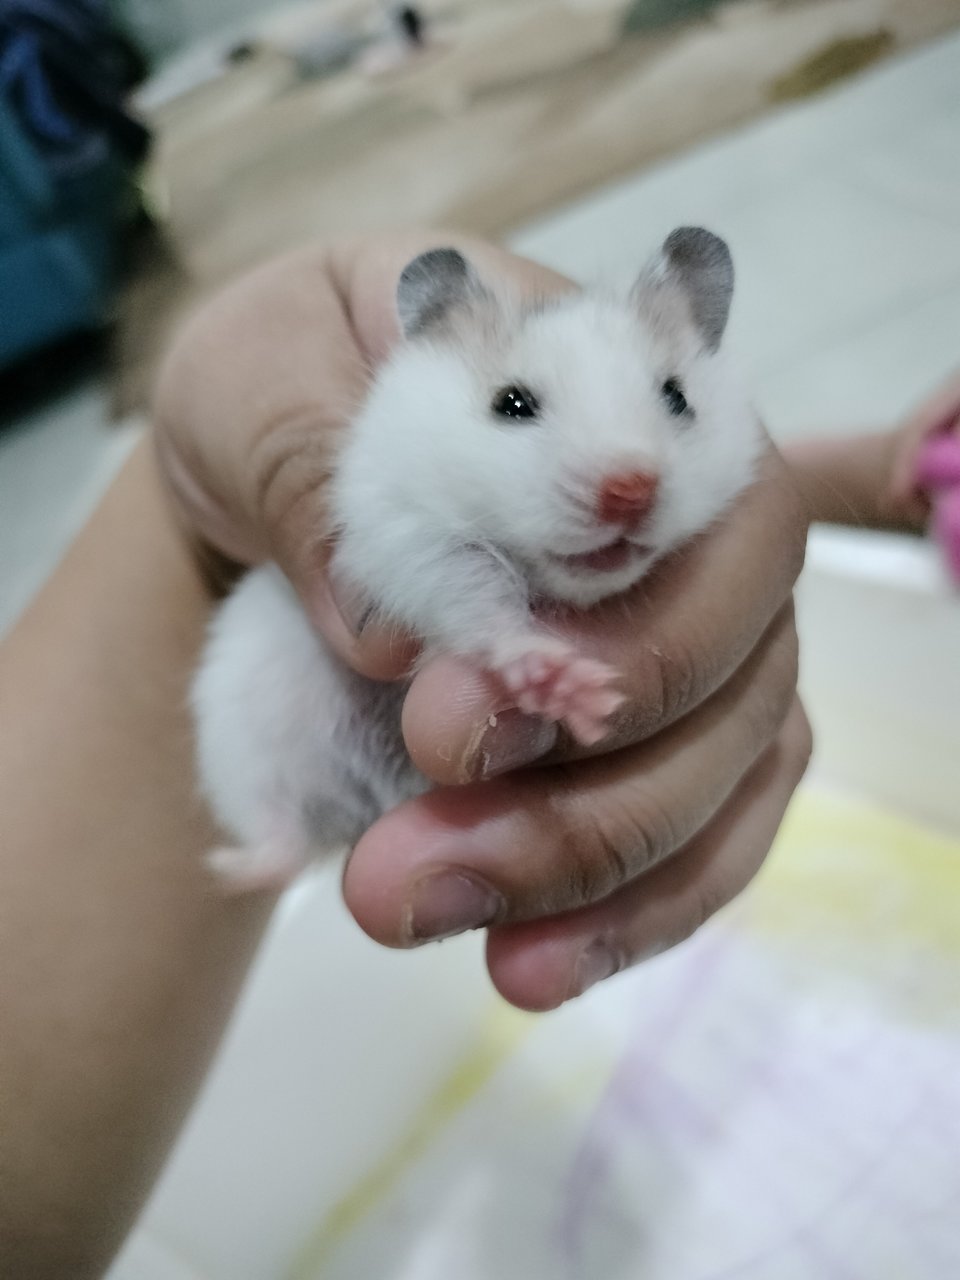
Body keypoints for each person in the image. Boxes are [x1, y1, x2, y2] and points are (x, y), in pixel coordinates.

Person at [7, 228, 946, 1278]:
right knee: (256, 695)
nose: (629, 474)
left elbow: (749, 485)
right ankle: (277, 829)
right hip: (313, 726)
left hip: (438, 783)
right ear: (427, 358)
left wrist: (859, 476)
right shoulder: (389, 450)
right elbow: (384, 546)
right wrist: (498, 638)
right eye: (515, 406)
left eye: (672, 402)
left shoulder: (680, 457)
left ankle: (296, 836)